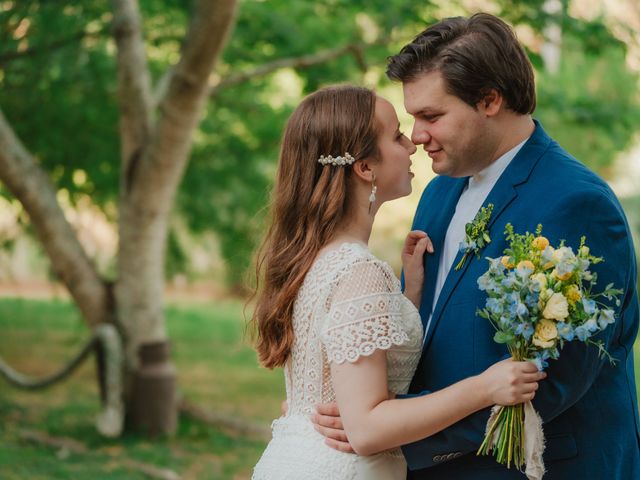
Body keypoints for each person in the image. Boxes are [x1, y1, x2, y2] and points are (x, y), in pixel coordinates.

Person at [313, 13, 640, 480]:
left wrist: (391, 432)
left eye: (431, 116)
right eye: (411, 119)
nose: (418, 136)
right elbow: (410, 339)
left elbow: (555, 382)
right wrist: (342, 400)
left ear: (489, 100)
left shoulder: (578, 204)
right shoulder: (437, 193)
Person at [250, 85, 544, 480]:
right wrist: (486, 388)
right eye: (396, 136)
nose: (412, 145)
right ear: (365, 168)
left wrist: (408, 296)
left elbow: (331, 371)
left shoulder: (312, 256)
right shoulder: (358, 270)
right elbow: (367, 429)